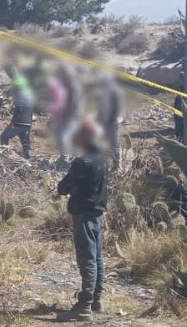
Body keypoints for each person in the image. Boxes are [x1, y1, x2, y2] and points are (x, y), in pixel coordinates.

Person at [57, 119, 109, 321]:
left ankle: (84, 307)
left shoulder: (82, 162)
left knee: (87, 260)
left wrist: (70, 189)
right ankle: (96, 300)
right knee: (97, 259)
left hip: (84, 215)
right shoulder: (102, 159)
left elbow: (63, 187)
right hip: (97, 214)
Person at [49, 65, 83, 167]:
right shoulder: (74, 85)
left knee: (61, 136)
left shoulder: (72, 86)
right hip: (74, 116)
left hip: (71, 116)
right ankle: (76, 158)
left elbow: (71, 103)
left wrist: (66, 116)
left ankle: (65, 160)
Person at [0, 74, 35, 159]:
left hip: (19, 122)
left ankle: (5, 155)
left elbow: (18, 110)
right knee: (25, 140)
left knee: (4, 136)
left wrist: (12, 123)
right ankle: (28, 156)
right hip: (28, 123)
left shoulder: (19, 95)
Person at [94, 72, 124, 170]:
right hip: (104, 122)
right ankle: (104, 164)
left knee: (114, 143)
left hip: (113, 122)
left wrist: (108, 120)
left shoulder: (115, 92)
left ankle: (117, 165)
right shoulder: (102, 92)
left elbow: (116, 109)